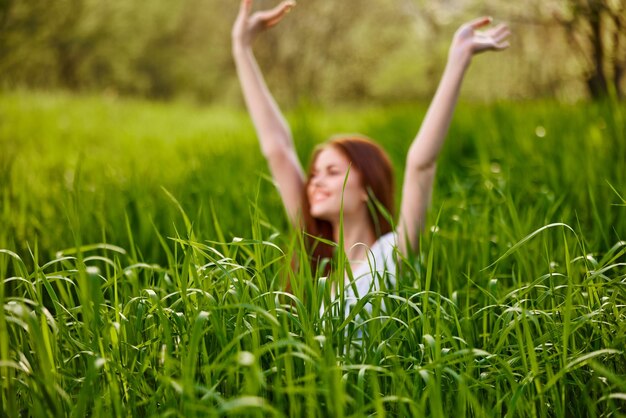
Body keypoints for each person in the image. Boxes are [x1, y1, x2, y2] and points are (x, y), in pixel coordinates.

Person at [231, 0, 510, 314]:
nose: (316, 181)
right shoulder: (317, 265)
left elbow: (421, 163)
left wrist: (458, 60)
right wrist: (241, 48)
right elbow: (277, 148)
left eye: (333, 171)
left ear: (366, 187)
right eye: (314, 174)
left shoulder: (393, 253)